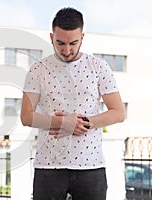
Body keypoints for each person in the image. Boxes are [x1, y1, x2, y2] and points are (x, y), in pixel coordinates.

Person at [20, 7, 125, 200]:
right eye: (60, 43)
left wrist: (82, 122)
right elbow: (26, 116)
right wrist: (61, 123)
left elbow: (118, 112)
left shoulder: (99, 67)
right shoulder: (37, 70)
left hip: (91, 167)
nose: (66, 50)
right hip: (48, 166)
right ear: (51, 37)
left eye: (73, 43)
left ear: (82, 37)